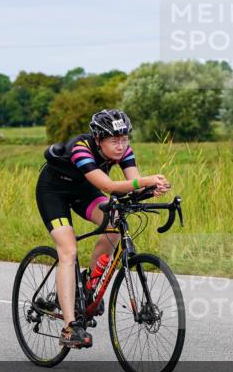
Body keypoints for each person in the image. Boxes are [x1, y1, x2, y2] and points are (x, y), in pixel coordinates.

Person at [36, 109, 172, 348]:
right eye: (114, 141)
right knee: (68, 250)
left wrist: (151, 190)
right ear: (98, 139)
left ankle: (88, 284)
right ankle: (70, 327)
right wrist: (146, 181)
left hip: (84, 192)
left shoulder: (123, 150)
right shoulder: (80, 148)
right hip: (53, 192)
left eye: (124, 139)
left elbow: (133, 185)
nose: (121, 146)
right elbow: (108, 185)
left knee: (114, 223)